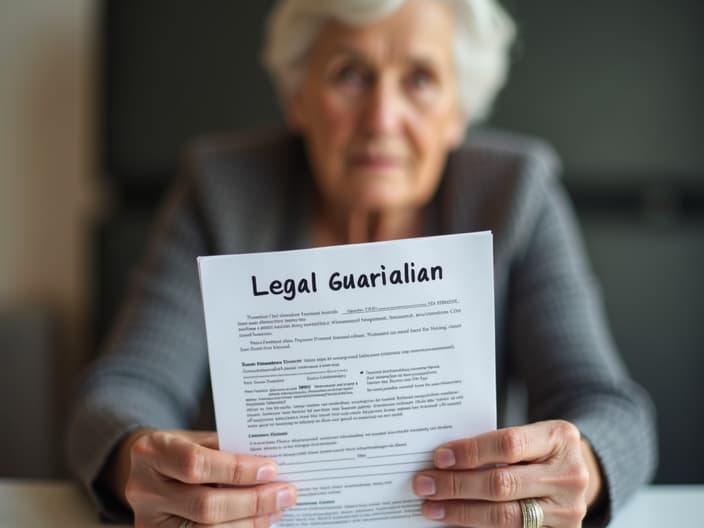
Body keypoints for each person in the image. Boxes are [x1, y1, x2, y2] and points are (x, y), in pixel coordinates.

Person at [66, 0, 657, 527]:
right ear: (298, 97)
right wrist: (140, 463)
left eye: (421, 79)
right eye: (349, 74)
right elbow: (125, 389)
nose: (381, 119)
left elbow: (610, 409)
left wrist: (579, 468)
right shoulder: (222, 190)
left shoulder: (517, 192)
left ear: (458, 111)